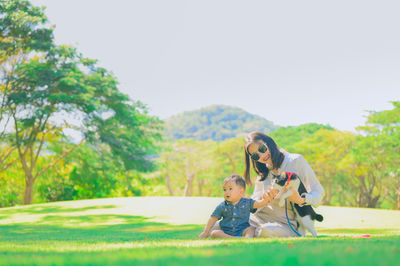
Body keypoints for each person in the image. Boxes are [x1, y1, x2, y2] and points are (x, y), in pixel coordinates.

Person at [244, 131, 325, 237]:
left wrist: (301, 200)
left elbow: (318, 192)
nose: (262, 156)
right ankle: (248, 231)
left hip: (285, 224)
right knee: (221, 225)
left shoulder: (296, 161)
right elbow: (255, 202)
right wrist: (263, 201)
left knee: (265, 231)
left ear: (269, 143)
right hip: (258, 218)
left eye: (262, 149)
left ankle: (248, 232)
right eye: (255, 156)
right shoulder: (263, 172)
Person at [198, 174, 270, 238]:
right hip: (226, 231)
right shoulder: (222, 206)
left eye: (230, 189)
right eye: (224, 189)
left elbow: (258, 204)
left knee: (251, 228)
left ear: (241, 192)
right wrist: (206, 232)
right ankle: (234, 238)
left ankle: (247, 237)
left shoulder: (247, 202)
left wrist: (265, 201)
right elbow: (213, 218)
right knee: (214, 233)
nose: (227, 192)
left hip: (242, 230)